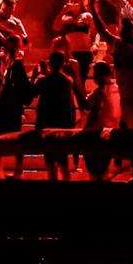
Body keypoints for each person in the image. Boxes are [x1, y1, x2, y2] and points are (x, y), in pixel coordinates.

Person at [32, 51, 78, 181]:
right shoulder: (67, 81)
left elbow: (32, 94)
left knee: (50, 162)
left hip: (47, 123)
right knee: (63, 162)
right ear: (63, 63)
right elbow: (70, 105)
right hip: (62, 124)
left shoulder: (44, 81)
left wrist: (36, 75)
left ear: (50, 63)